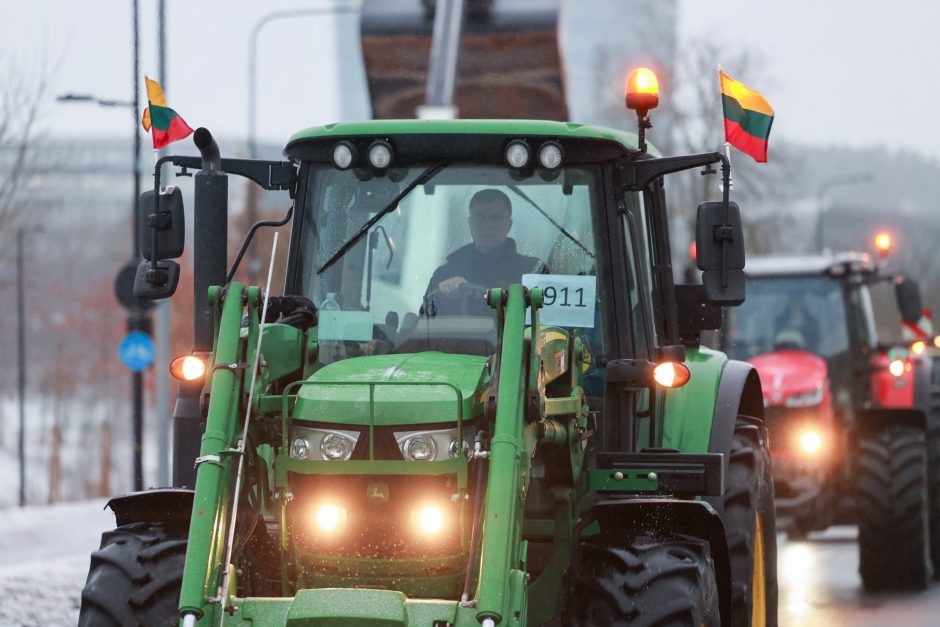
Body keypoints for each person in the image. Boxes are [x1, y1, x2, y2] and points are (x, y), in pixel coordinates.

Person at [424, 188, 546, 315]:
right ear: (470, 223)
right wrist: (446, 297)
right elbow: (424, 324)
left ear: (509, 225)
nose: (487, 224)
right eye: (480, 217)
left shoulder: (533, 272)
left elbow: (547, 321)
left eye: (496, 218)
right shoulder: (444, 274)